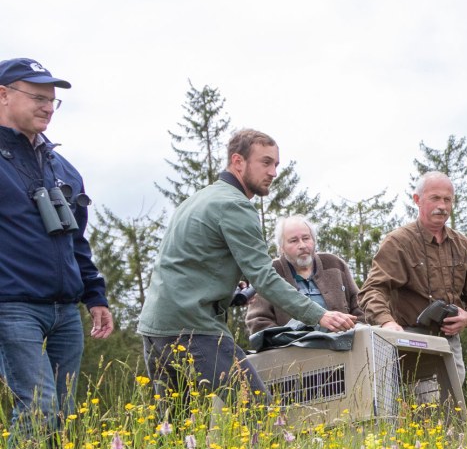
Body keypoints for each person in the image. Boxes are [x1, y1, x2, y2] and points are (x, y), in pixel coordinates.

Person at [138, 129, 356, 402]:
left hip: (156, 327)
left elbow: (187, 264)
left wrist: (228, 287)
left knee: (179, 427)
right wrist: (320, 315)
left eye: (276, 164)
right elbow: (265, 277)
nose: (273, 172)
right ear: (238, 162)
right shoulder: (235, 205)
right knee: (257, 414)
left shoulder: (198, 199)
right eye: (265, 162)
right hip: (193, 327)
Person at [0, 58, 113, 444]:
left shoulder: (62, 167)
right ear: (3, 95)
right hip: (12, 305)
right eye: (37, 97)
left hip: (66, 310)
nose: (48, 106)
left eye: (52, 100)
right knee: (38, 408)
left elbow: (76, 239)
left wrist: (95, 295)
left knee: (62, 415)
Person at [359, 171, 467, 383]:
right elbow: (373, 290)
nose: (443, 206)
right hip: (411, 339)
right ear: (417, 200)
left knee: (451, 409)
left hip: (449, 342)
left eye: (448, 200)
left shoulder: (463, 245)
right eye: (435, 198)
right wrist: (387, 323)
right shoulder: (398, 242)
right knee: (422, 407)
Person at [245, 215, 363, 334]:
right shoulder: (270, 272)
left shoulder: (335, 264)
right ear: (281, 248)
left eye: (306, 238)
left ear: (314, 240)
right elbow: (257, 322)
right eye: (293, 240)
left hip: (344, 347)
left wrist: (356, 333)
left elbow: (360, 306)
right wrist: (290, 340)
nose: (302, 245)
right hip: (292, 351)